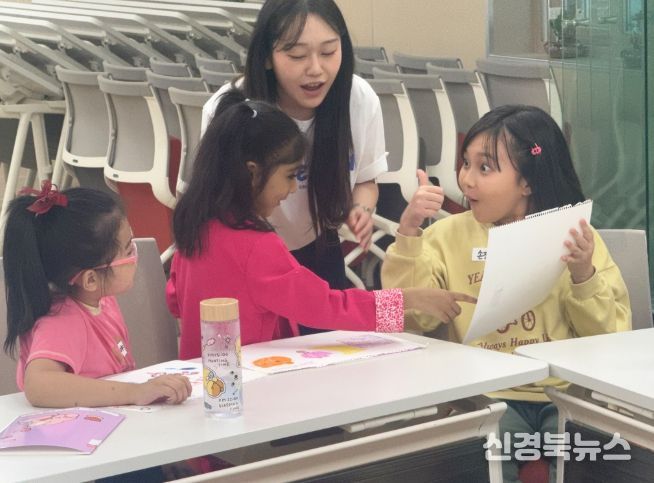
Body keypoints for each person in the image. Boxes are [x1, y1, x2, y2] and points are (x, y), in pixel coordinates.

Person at [382, 104, 631, 482]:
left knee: (598, 457)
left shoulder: (576, 236)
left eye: (484, 168)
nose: (466, 180)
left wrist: (584, 275)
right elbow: (404, 317)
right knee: (478, 460)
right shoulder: (446, 236)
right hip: (486, 396)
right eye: (465, 164)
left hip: (567, 396)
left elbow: (610, 339)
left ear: (527, 182)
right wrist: (409, 231)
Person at [167, 91, 475, 359]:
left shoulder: (195, 227)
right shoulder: (256, 245)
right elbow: (326, 306)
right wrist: (409, 301)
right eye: (290, 176)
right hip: (249, 382)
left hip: (202, 376)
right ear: (252, 172)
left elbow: (175, 300)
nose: (292, 189)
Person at [202, 0, 384, 298]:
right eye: (297, 55)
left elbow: (366, 180)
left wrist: (361, 209)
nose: (316, 69)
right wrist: (399, 306)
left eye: (329, 52)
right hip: (247, 258)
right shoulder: (232, 112)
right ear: (266, 56)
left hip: (319, 248)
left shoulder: (359, 100)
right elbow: (346, 309)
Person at [3, 184, 191, 408]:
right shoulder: (64, 321)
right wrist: (136, 392)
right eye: (128, 249)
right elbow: (39, 385)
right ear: (90, 280)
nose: (135, 255)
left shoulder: (100, 301)